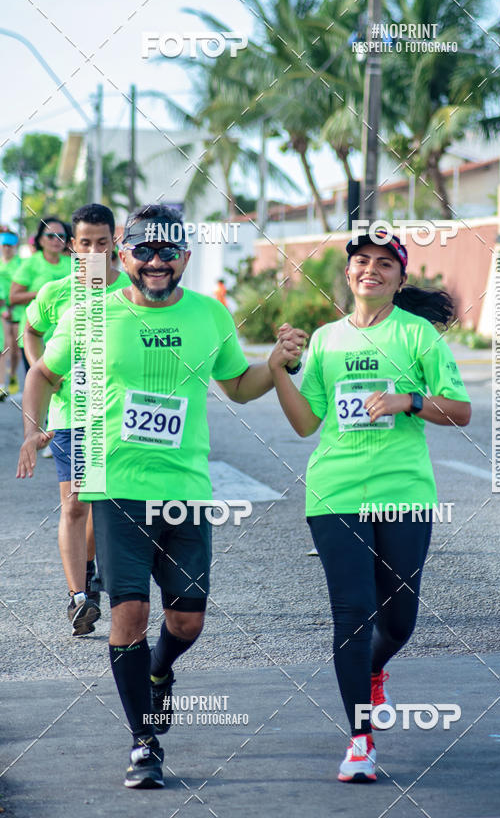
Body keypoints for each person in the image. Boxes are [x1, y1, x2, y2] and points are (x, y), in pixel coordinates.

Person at [16, 203, 305, 789]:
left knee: (188, 620)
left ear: (185, 258)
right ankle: (144, 742)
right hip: (116, 485)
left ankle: (159, 671)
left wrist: (276, 365)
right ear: (124, 256)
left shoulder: (209, 314)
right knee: (129, 613)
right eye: (143, 251)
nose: (155, 262)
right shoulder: (93, 316)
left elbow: (238, 385)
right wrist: (33, 428)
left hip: (186, 490)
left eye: (167, 252)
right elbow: (43, 373)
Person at [268, 228, 471, 783]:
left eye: (385, 263)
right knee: (353, 613)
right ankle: (360, 739)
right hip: (334, 492)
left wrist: (410, 400)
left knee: (399, 621)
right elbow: (305, 423)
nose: (371, 270)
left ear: (400, 279)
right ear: (348, 272)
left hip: (404, 494)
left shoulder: (418, 336)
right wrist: (279, 370)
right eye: (362, 261)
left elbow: (460, 411)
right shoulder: (327, 340)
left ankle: (375, 668)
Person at [23, 204, 130, 635]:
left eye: (102, 243)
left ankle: (89, 573)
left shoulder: (132, 291)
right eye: (85, 243)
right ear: (72, 246)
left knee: (99, 502)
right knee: (75, 505)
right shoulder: (56, 292)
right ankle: (79, 596)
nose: (94, 252)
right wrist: (45, 371)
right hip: (71, 414)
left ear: (114, 244)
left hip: (117, 415)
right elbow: (31, 330)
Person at [9, 218, 71, 375]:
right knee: (38, 383)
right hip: (35, 336)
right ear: (41, 240)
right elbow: (13, 297)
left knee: (62, 386)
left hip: (65, 338)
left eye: (61, 236)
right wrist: (43, 294)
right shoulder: (31, 263)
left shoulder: (72, 264)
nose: (56, 240)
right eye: (51, 236)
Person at [0, 230, 21, 396]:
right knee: (4, 347)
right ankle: (1, 386)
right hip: (2, 310)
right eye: (4, 245)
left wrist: (13, 304)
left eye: (10, 245)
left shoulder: (21, 264)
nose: (6, 248)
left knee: (15, 351)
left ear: (15, 246)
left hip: (19, 311)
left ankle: (13, 374)